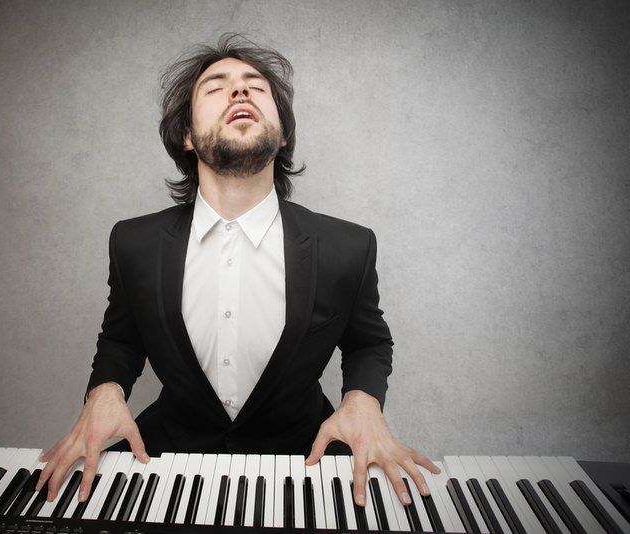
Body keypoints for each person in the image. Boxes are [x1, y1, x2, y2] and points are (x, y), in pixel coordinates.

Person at [37, 33, 439, 510]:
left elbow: (368, 342)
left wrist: (363, 402)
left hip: (306, 467)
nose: (240, 91)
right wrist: (104, 392)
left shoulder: (349, 246)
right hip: (161, 466)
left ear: (282, 132)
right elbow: (122, 338)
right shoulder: (132, 243)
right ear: (186, 135)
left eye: (255, 86)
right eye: (215, 87)